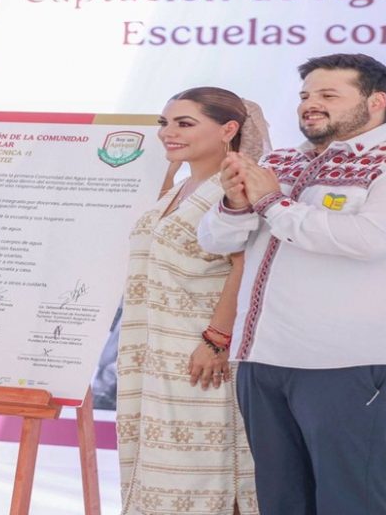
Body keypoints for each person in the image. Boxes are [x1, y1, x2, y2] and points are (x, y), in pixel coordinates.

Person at [198, 53, 386, 514]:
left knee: (351, 501)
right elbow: (216, 239)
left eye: (328, 95)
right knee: (281, 502)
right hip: (262, 359)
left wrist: (272, 202)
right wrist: (235, 202)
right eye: (305, 95)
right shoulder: (280, 161)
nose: (310, 104)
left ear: (376, 102)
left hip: (349, 363)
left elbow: (370, 239)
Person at [117, 86, 270, 515]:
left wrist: (216, 338)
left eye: (185, 123)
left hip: (201, 353)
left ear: (229, 129)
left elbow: (245, 267)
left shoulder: (236, 185)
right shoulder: (181, 188)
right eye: (164, 123)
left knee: (204, 473)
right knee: (157, 472)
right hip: (152, 353)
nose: (169, 132)